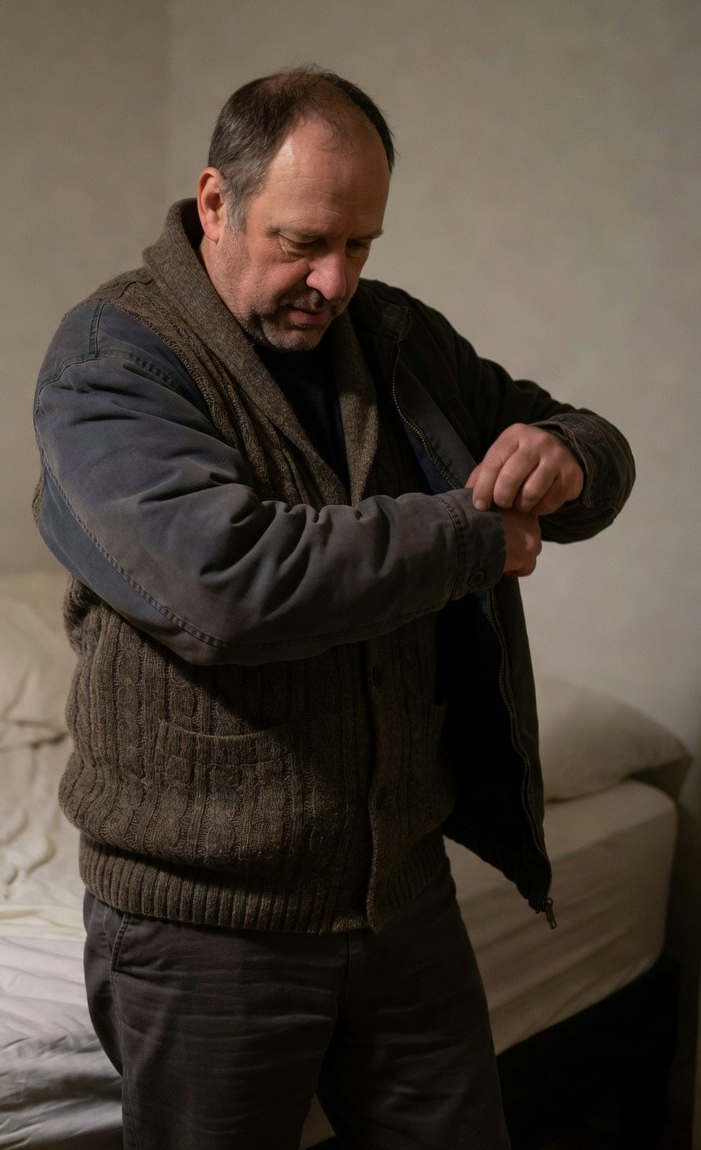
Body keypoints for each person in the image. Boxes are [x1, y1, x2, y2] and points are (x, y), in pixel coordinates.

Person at [32, 68, 635, 1150]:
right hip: (202, 926)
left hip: (402, 895)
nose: (334, 278)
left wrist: (568, 457)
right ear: (216, 202)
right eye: (305, 241)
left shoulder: (396, 339)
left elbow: (585, 437)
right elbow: (228, 585)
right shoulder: (111, 361)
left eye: (361, 246)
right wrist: (469, 536)